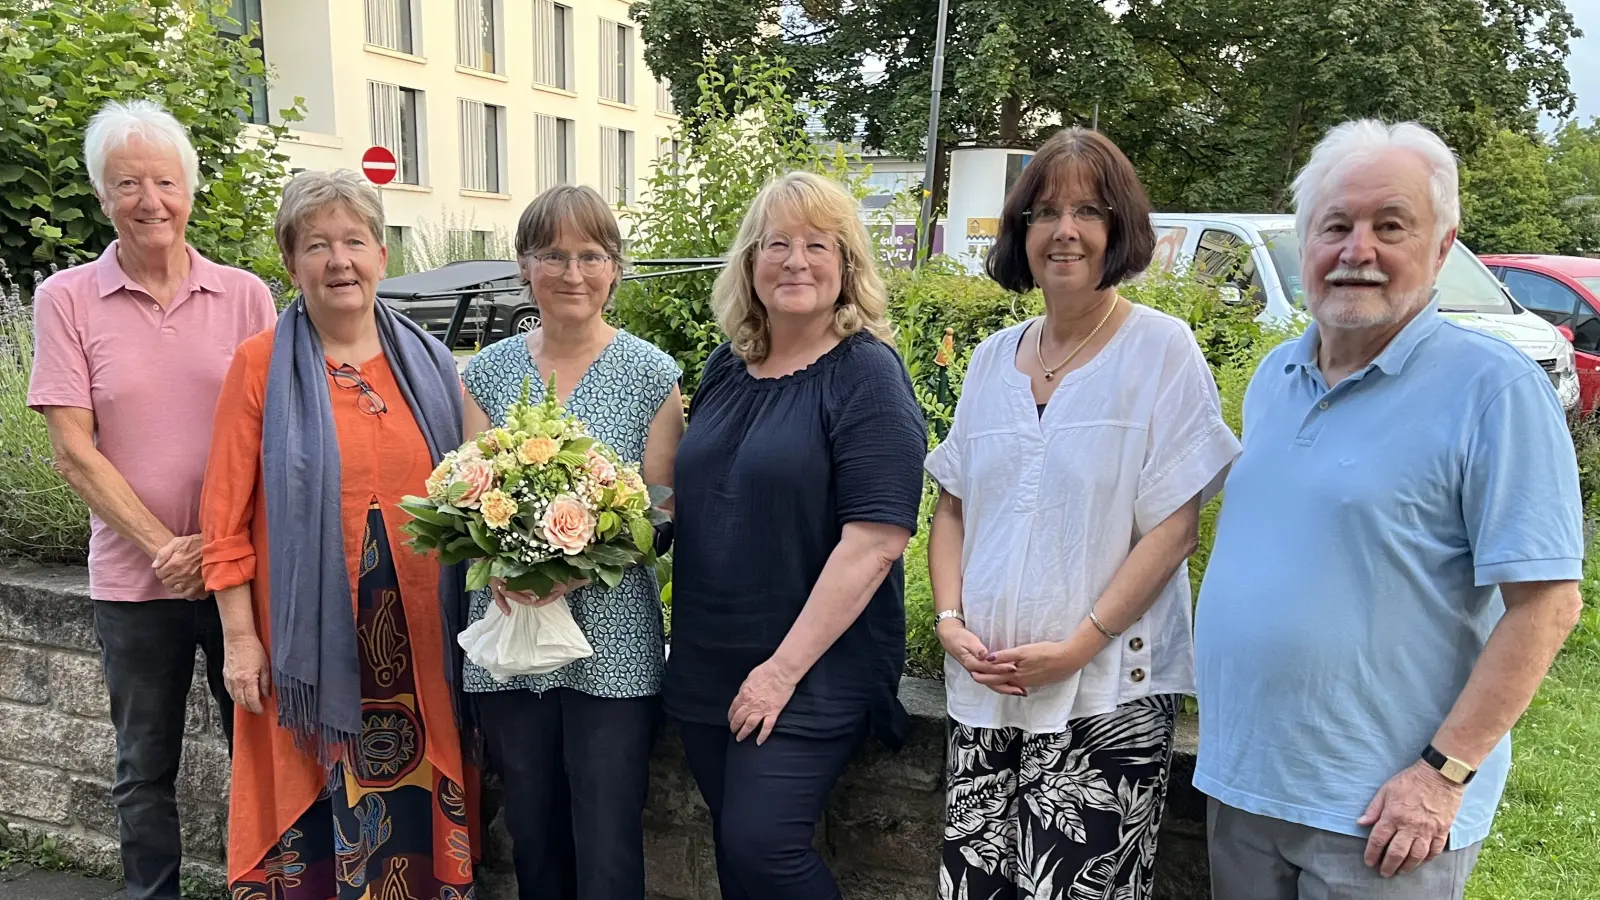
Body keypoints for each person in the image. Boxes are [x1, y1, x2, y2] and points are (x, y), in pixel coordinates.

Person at [1193, 119, 1585, 900]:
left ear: (1441, 247)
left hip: (1384, 819)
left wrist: (1442, 775)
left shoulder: (1494, 390)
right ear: (1306, 242)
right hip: (1244, 789)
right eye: (1335, 225)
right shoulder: (1275, 376)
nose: (1357, 250)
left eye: (1391, 226)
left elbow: (1548, 606)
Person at [924, 127, 1241, 899]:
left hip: (1106, 694)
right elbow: (952, 507)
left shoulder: (1162, 351)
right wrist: (950, 620)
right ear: (1021, 231)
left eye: (1088, 211)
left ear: (1118, 228)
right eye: (1045, 213)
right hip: (989, 690)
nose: (1064, 230)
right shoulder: (992, 359)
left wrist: (1076, 646)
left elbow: (1174, 530)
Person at [200, 169, 476, 897]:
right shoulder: (259, 366)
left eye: (354, 241)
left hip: (417, 637)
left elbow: (469, 496)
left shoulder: (431, 362)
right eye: (316, 244)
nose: (338, 261)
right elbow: (223, 521)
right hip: (309, 642)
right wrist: (239, 640)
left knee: (415, 792)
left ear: (382, 254)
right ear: (291, 262)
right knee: (316, 793)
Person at [26, 98, 275, 900]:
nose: (149, 201)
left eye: (164, 181)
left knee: (263, 757)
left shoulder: (245, 296)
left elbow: (274, 438)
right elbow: (74, 451)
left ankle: (267, 888)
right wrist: (166, 547)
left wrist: (216, 546)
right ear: (103, 196)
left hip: (240, 576)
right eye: (127, 183)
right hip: (136, 584)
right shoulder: (65, 299)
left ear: (189, 191)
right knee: (144, 765)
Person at [664, 171, 928, 900]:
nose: (795, 261)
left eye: (818, 245)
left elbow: (876, 541)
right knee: (736, 854)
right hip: (712, 655)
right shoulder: (728, 364)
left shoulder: (866, 375)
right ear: (751, 261)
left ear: (847, 264)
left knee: (763, 848)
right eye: (776, 244)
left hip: (813, 666)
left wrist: (780, 672)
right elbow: (698, 495)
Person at [460, 184, 684, 900]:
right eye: (553, 255)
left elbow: (663, 509)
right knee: (532, 829)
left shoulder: (651, 374)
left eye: (591, 255)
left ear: (615, 267)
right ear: (525, 265)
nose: (572, 273)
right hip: (510, 631)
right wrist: (501, 563)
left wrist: (581, 567)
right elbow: (464, 495)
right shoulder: (487, 371)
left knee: (608, 833)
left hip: (612, 638)